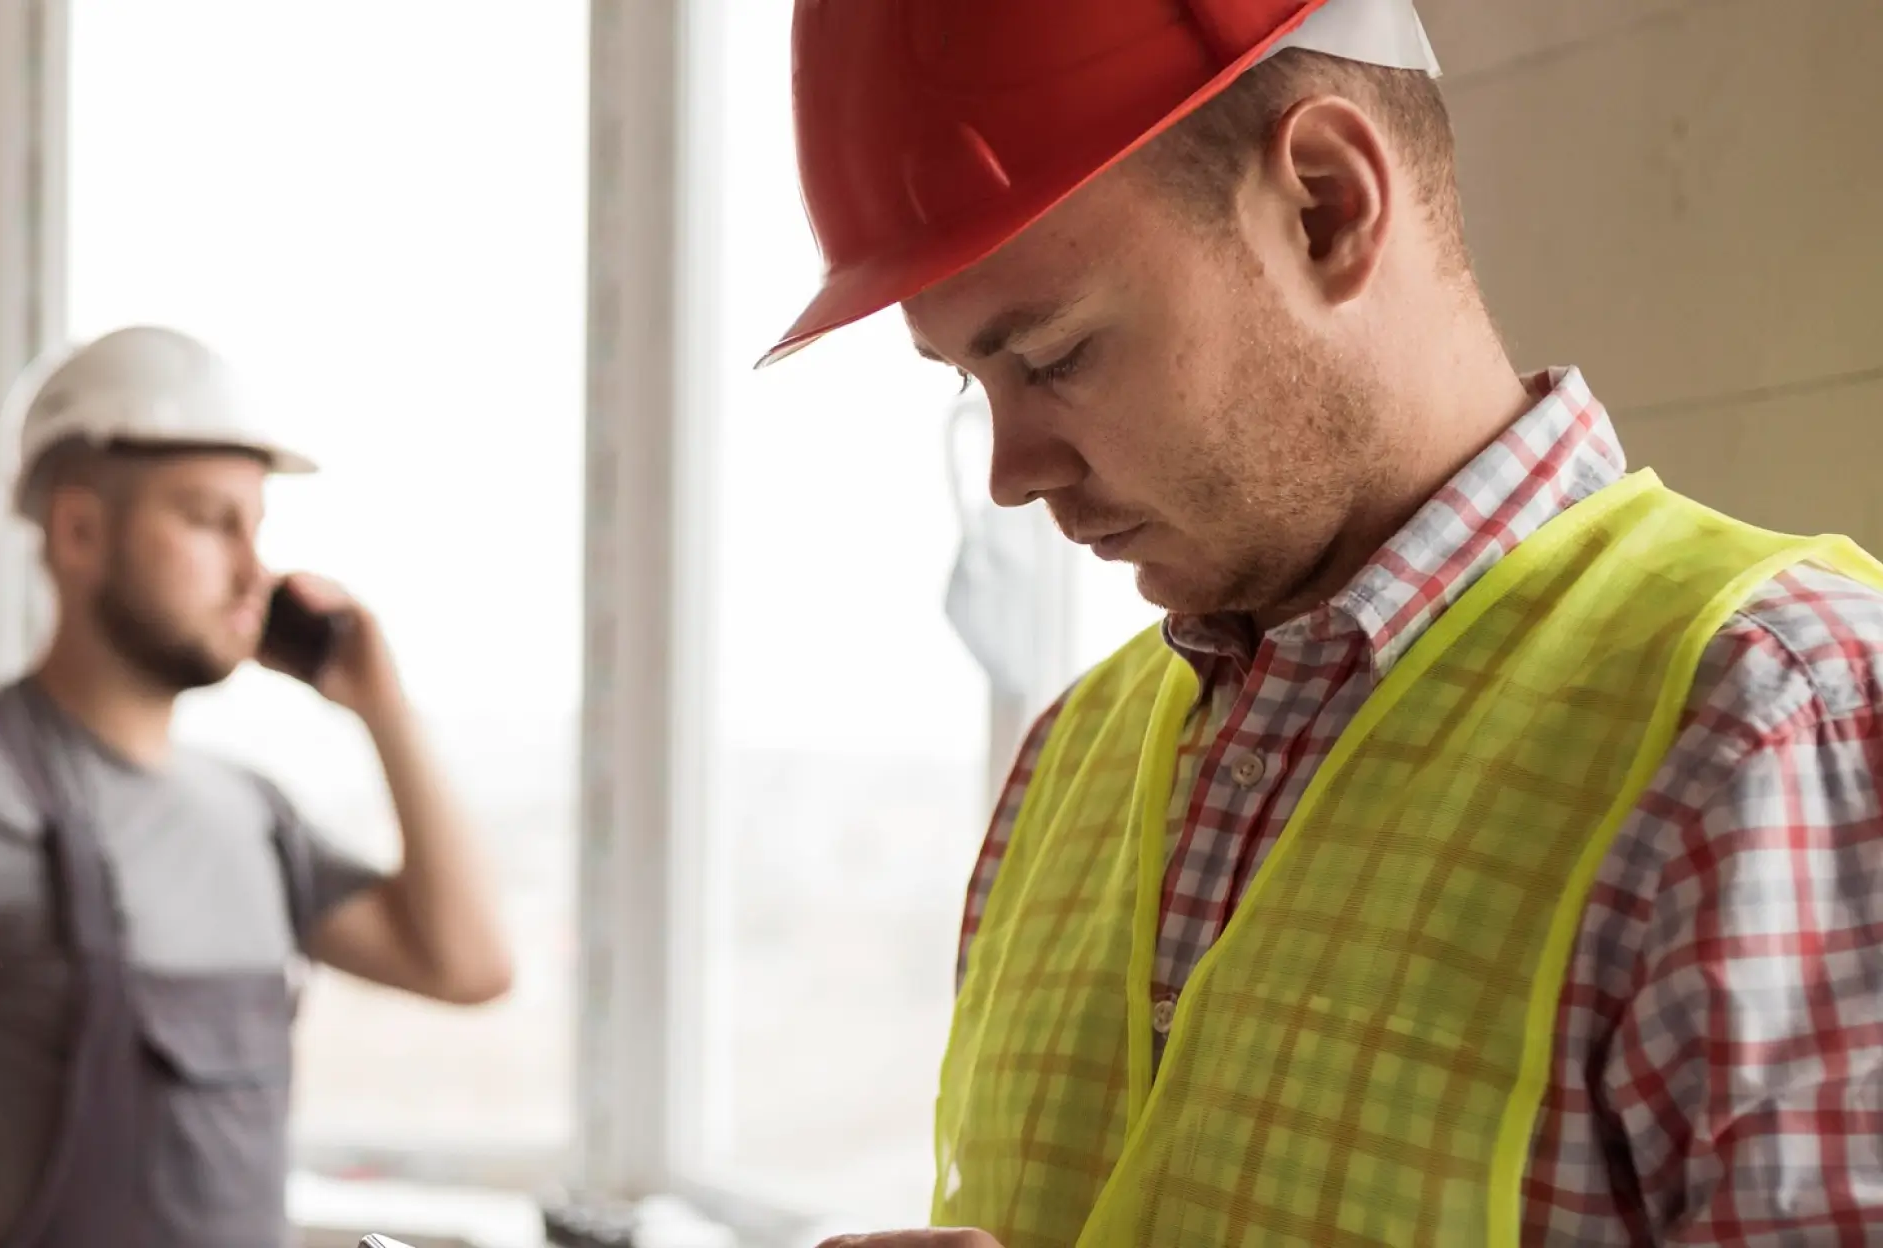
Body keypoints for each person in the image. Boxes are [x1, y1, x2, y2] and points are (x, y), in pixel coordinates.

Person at [766, 0, 1883, 1244]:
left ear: (1326, 208)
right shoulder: (1067, 763)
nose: (1010, 472)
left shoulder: (1778, 733)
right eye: (974, 384)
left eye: (1056, 356)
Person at [0, 326, 514, 1248]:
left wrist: (381, 707)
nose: (254, 571)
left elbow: (468, 964)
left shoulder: (251, 814)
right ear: (79, 530)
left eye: (257, 529)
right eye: (209, 519)